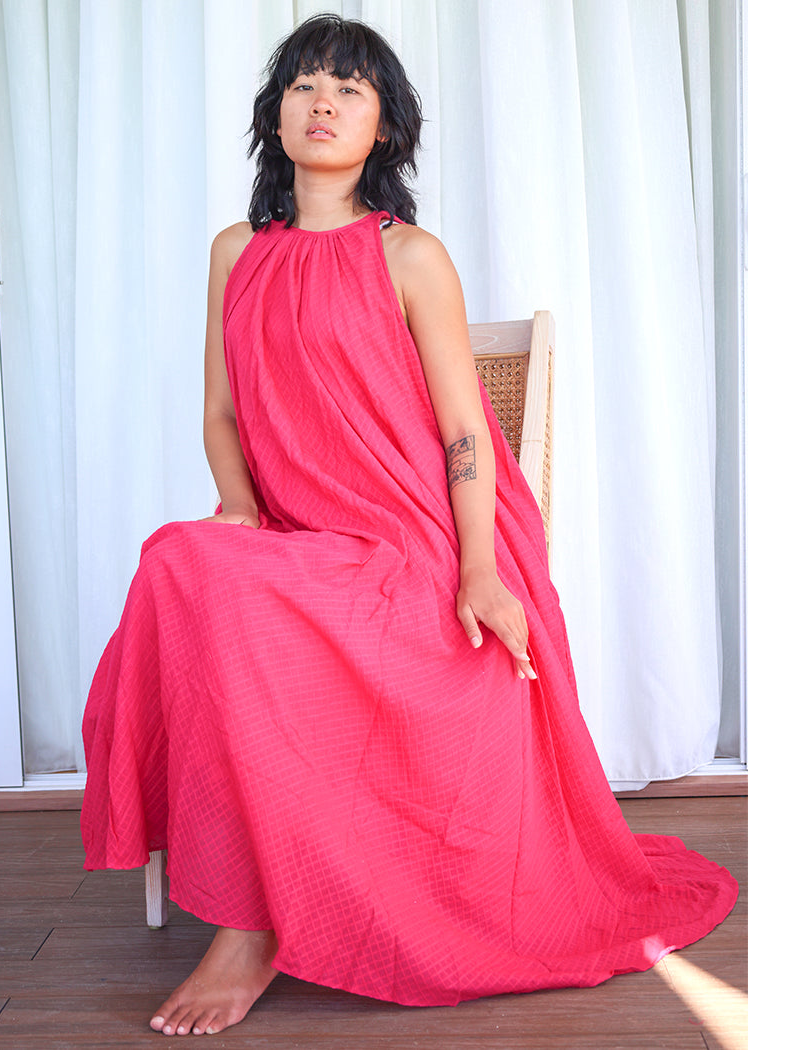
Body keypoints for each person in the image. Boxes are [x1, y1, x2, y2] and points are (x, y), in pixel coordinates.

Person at [80, 13, 738, 1039]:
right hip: (298, 533)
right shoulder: (234, 252)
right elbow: (220, 413)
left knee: (226, 593)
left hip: (415, 538)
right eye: (305, 85)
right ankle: (256, 892)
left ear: (384, 126)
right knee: (185, 560)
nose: (324, 102)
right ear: (275, 115)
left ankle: (250, 928)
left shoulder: (411, 256)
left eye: (351, 88)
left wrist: (479, 570)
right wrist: (242, 508)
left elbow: (467, 433)